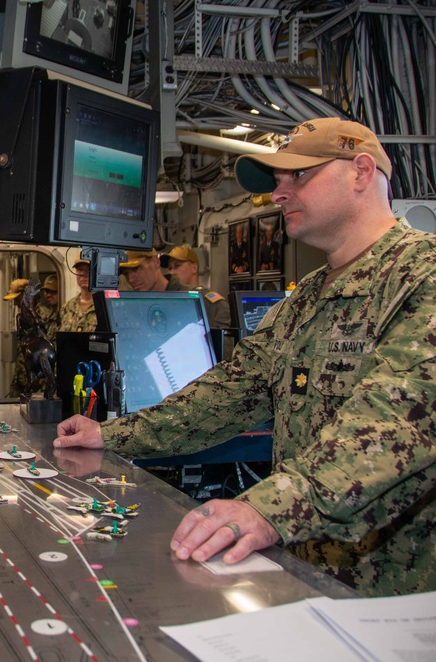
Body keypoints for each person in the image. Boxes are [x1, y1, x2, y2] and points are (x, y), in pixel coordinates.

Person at [55, 117, 436, 597]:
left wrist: (268, 509)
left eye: (298, 175)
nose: (278, 194)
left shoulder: (422, 278)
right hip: (308, 574)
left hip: (400, 594)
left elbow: (396, 425)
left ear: (361, 172)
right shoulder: (306, 300)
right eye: (277, 181)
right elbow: (228, 394)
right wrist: (112, 434)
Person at [122, 248, 231, 329]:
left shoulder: (199, 299)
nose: (131, 279)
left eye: (136, 269)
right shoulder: (136, 309)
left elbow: (229, 342)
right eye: (126, 274)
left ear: (156, 262)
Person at [4, 278, 30, 398]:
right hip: (21, 379)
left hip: (36, 383)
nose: (15, 303)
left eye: (17, 299)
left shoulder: (42, 317)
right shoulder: (21, 317)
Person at [58, 257, 97, 332]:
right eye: (80, 270)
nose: (83, 274)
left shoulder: (105, 307)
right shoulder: (67, 307)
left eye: (88, 270)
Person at [37, 273, 61, 344]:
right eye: (46, 291)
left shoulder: (65, 315)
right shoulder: (45, 315)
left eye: (53, 291)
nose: (49, 295)